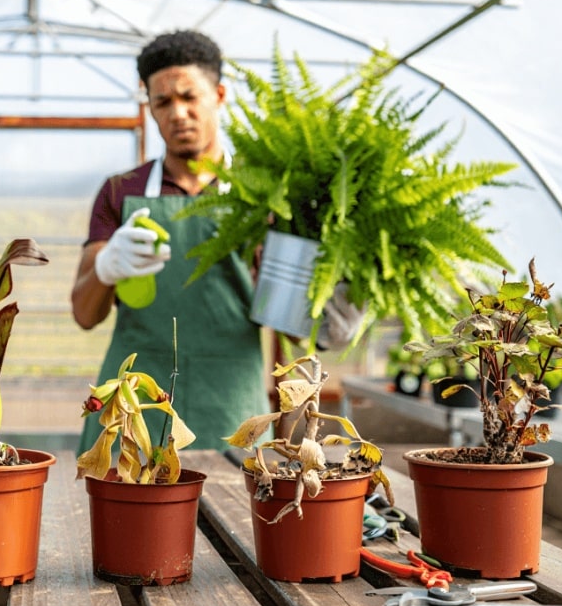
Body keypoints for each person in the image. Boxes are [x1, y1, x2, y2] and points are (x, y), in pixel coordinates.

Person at [72, 30, 362, 453]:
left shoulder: (266, 193)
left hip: (231, 403)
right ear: (150, 108)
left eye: (190, 97)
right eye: (163, 103)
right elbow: (83, 313)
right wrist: (106, 266)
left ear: (220, 94)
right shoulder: (121, 192)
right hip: (135, 401)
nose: (179, 113)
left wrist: (336, 304)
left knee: (233, 511)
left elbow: (296, 322)